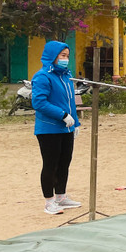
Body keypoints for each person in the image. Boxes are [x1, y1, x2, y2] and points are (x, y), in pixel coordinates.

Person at [31, 40, 82, 215]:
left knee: (64, 163)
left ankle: (61, 197)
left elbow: (70, 103)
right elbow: (39, 102)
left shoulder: (66, 76)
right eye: (62, 56)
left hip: (66, 128)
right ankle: (49, 202)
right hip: (49, 129)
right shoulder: (42, 76)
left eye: (67, 56)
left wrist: (75, 122)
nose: (65, 59)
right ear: (52, 56)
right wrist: (62, 115)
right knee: (50, 165)